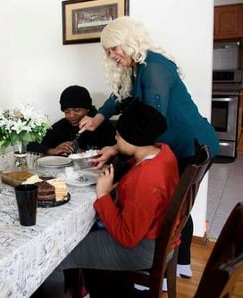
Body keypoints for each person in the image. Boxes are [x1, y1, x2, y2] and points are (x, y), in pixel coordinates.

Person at [78, 16, 219, 278]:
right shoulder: (137, 66)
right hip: (177, 143)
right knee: (174, 206)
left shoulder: (154, 67)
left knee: (176, 208)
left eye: (115, 48)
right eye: (108, 50)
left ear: (130, 41)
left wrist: (116, 147)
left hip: (189, 142)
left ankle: (168, 268)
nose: (112, 55)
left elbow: (151, 122)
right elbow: (119, 96)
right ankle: (175, 266)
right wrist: (97, 119)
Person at [38, 100, 179, 298]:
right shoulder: (162, 152)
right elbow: (135, 169)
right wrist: (115, 157)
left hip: (144, 248)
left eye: (118, 136)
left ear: (133, 139)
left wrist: (103, 194)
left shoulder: (146, 181)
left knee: (54, 258)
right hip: (157, 240)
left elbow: (127, 237)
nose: (115, 139)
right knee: (80, 231)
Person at [27, 85, 116, 156]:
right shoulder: (61, 125)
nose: (72, 115)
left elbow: (118, 154)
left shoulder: (104, 125)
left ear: (87, 108)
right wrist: (52, 150)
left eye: (77, 110)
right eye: (67, 111)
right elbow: (31, 146)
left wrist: (85, 154)